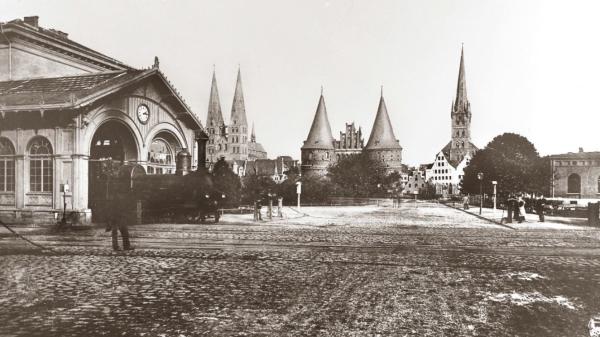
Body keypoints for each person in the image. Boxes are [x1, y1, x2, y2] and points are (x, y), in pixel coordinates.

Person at [107, 186, 132, 251]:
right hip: (116, 218)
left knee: (124, 232)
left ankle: (125, 246)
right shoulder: (115, 200)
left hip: (120, 217)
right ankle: (118, 247)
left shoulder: (118, 199)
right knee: (117, 232)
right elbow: (112, 209)